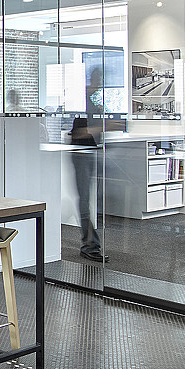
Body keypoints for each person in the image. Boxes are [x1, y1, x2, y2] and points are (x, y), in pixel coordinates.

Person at [71, 67, 107, 263]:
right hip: (81, 154)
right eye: (99, 79)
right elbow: (78, 133)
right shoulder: (82, 102)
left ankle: (92, 242)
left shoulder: (93, 102)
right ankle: (89, 244)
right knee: (85, 199)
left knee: (90, 199)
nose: (100, 83)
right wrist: (104, 126)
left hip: (91, 152)